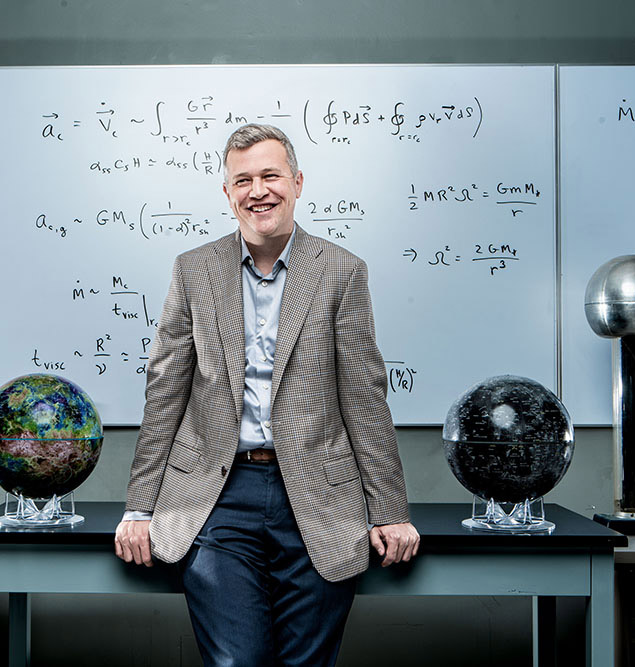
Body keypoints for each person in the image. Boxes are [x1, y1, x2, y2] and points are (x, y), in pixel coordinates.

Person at [115, 123, 419, 667]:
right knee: (238, 662)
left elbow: (365, 396)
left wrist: (389, 510)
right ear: (227, 192)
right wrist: (139, 505)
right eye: (243, 180)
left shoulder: (342, 272)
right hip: (218, 497)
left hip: (322, 499)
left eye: (271, 175)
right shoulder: (193, 270)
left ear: (297, 182)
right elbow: (165, 392)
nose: (258, 190)